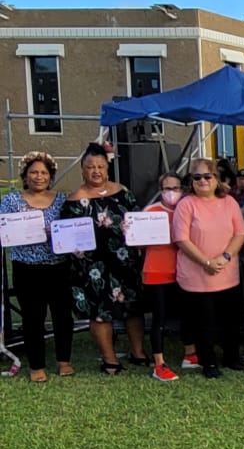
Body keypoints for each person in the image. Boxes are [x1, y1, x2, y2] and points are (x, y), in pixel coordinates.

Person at [61, 142, 148, 375]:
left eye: (100, 166)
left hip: (125, 260)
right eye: (91, 167)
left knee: (133, 307)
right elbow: (65, 238)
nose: (96, 171)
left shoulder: (123, 191)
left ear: (107, 168)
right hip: (91, 267)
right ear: (82, 169)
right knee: (100, 312)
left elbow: (138, 220)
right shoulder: (73, 200)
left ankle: (138, 352)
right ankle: (109, 359)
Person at [172, 157, 244, 378]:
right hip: (197, 276)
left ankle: (232, 357)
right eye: (197, 177)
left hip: (227, 273)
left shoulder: (230, 203)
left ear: (216, 179)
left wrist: (224, 257)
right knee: (203, 322)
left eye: (207, 176)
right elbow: (181, 239)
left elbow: (240, 233)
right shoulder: (186, 204)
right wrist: (206, 261)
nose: (202, 181)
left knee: (230, 320)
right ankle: (209, 362)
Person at [1, 152, 74, 381]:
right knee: (33, 317)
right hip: (26, 268)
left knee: (63, 316)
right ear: (25, 175)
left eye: (43, 172)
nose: (39, 176)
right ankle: (37, 366)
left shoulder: (62, 200)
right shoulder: (10, 201)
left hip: (58, 266)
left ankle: (64, 361)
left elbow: (72, 230)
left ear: (50, 176)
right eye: (34, 172)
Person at [138, 172, 198, 381]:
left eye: (175, 188)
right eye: (166, 189)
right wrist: (129, 231)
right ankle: (159, 364)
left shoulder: (189, 209)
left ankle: (190, 354)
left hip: (183, 272)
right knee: (160, 319)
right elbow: (137, 242)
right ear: (160, 190)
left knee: (187, 315)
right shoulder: (151, 211)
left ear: (183, 189)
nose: (171, 193)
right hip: (156, 272)